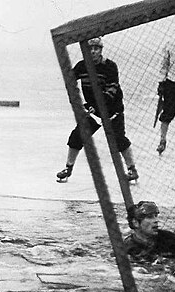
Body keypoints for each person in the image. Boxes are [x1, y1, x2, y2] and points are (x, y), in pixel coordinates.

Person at [56, 37, 138, 183]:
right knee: (77, 136)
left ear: (101, 50)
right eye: (90, 48)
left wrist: (98, 106)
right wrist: (77, 102)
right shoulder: (81, 66)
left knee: (119, 140)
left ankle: (132, 170)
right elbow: (69, 81)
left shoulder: (110, 66)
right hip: (94, 110)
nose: (93, 51)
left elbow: (112, 90)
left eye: (96, 48)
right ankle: (68, 168)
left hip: (113, 110)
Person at [156, 31, 175, 154]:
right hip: (172, 82)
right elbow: (164, 65)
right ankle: (162, 140)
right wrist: (161, 82)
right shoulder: (170, 44)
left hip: (171, 81)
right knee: (167, 113)